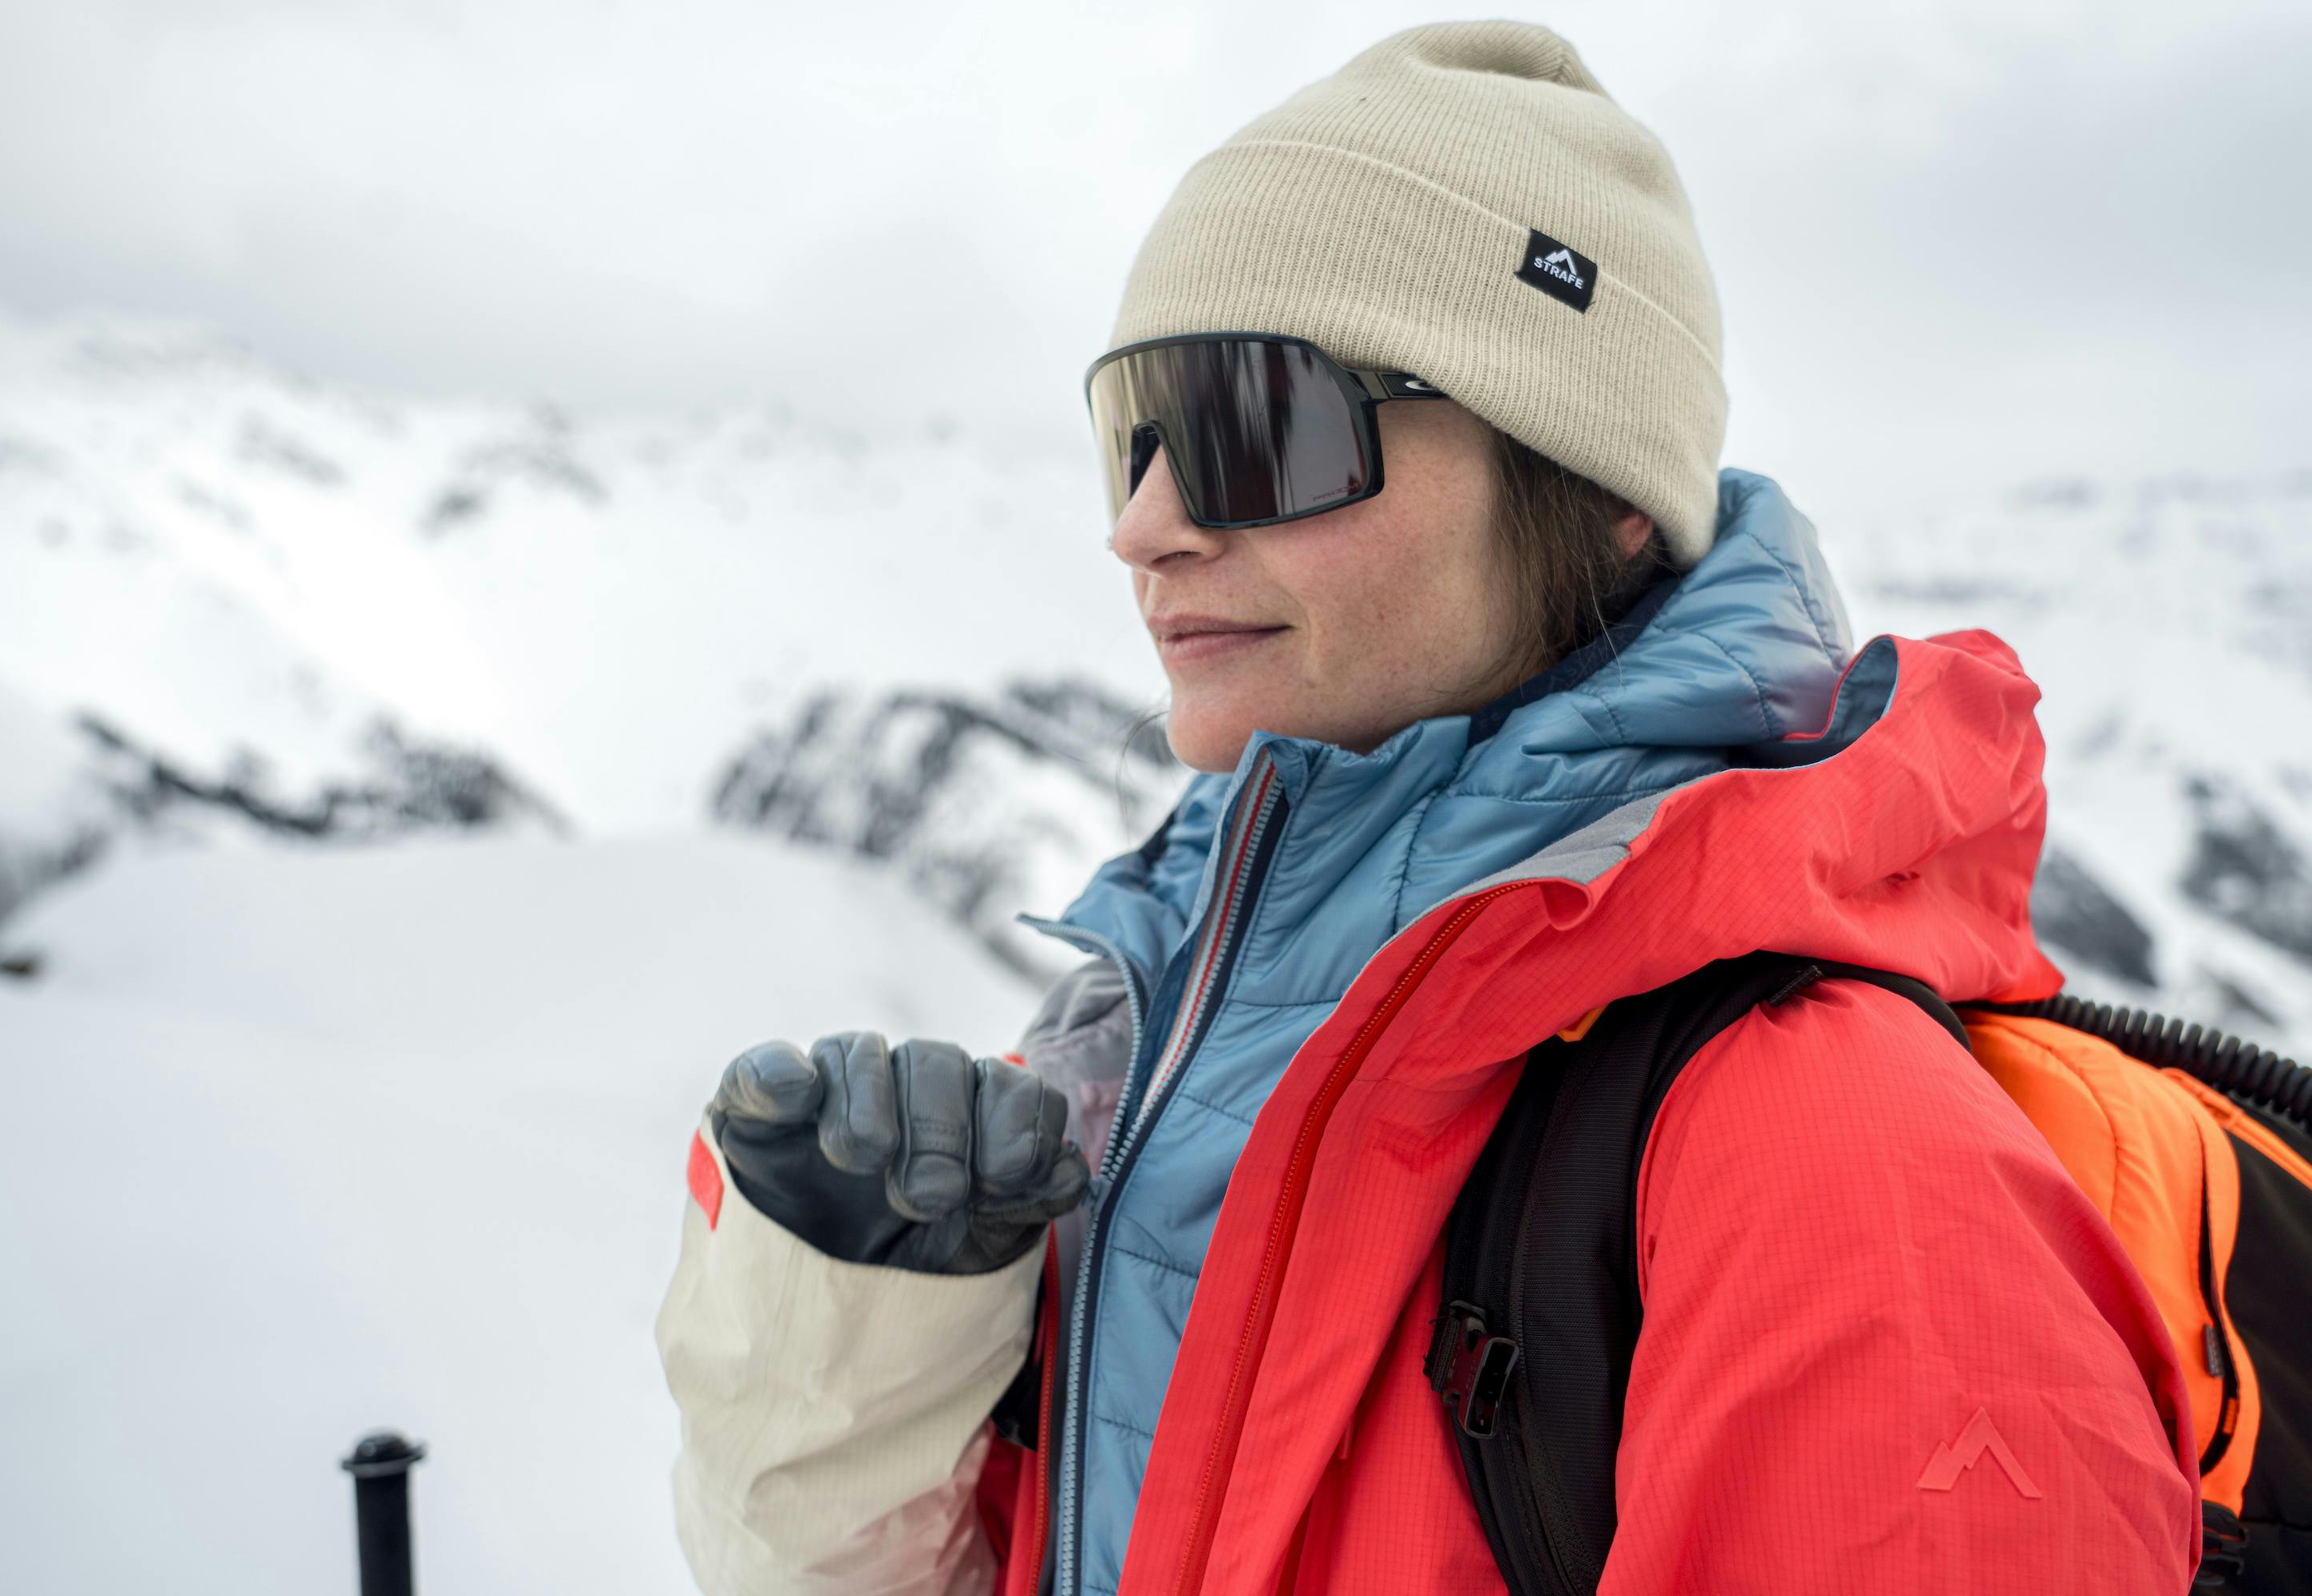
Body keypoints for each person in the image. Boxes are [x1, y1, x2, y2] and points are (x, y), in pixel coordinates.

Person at [656, 22, 2201, 1595]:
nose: (1144, 526)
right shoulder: (1147, 1066)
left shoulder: (1819, 1167)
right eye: (1135, 429)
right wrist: (850, 1361)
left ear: (1589, 486)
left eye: (1260, 421)